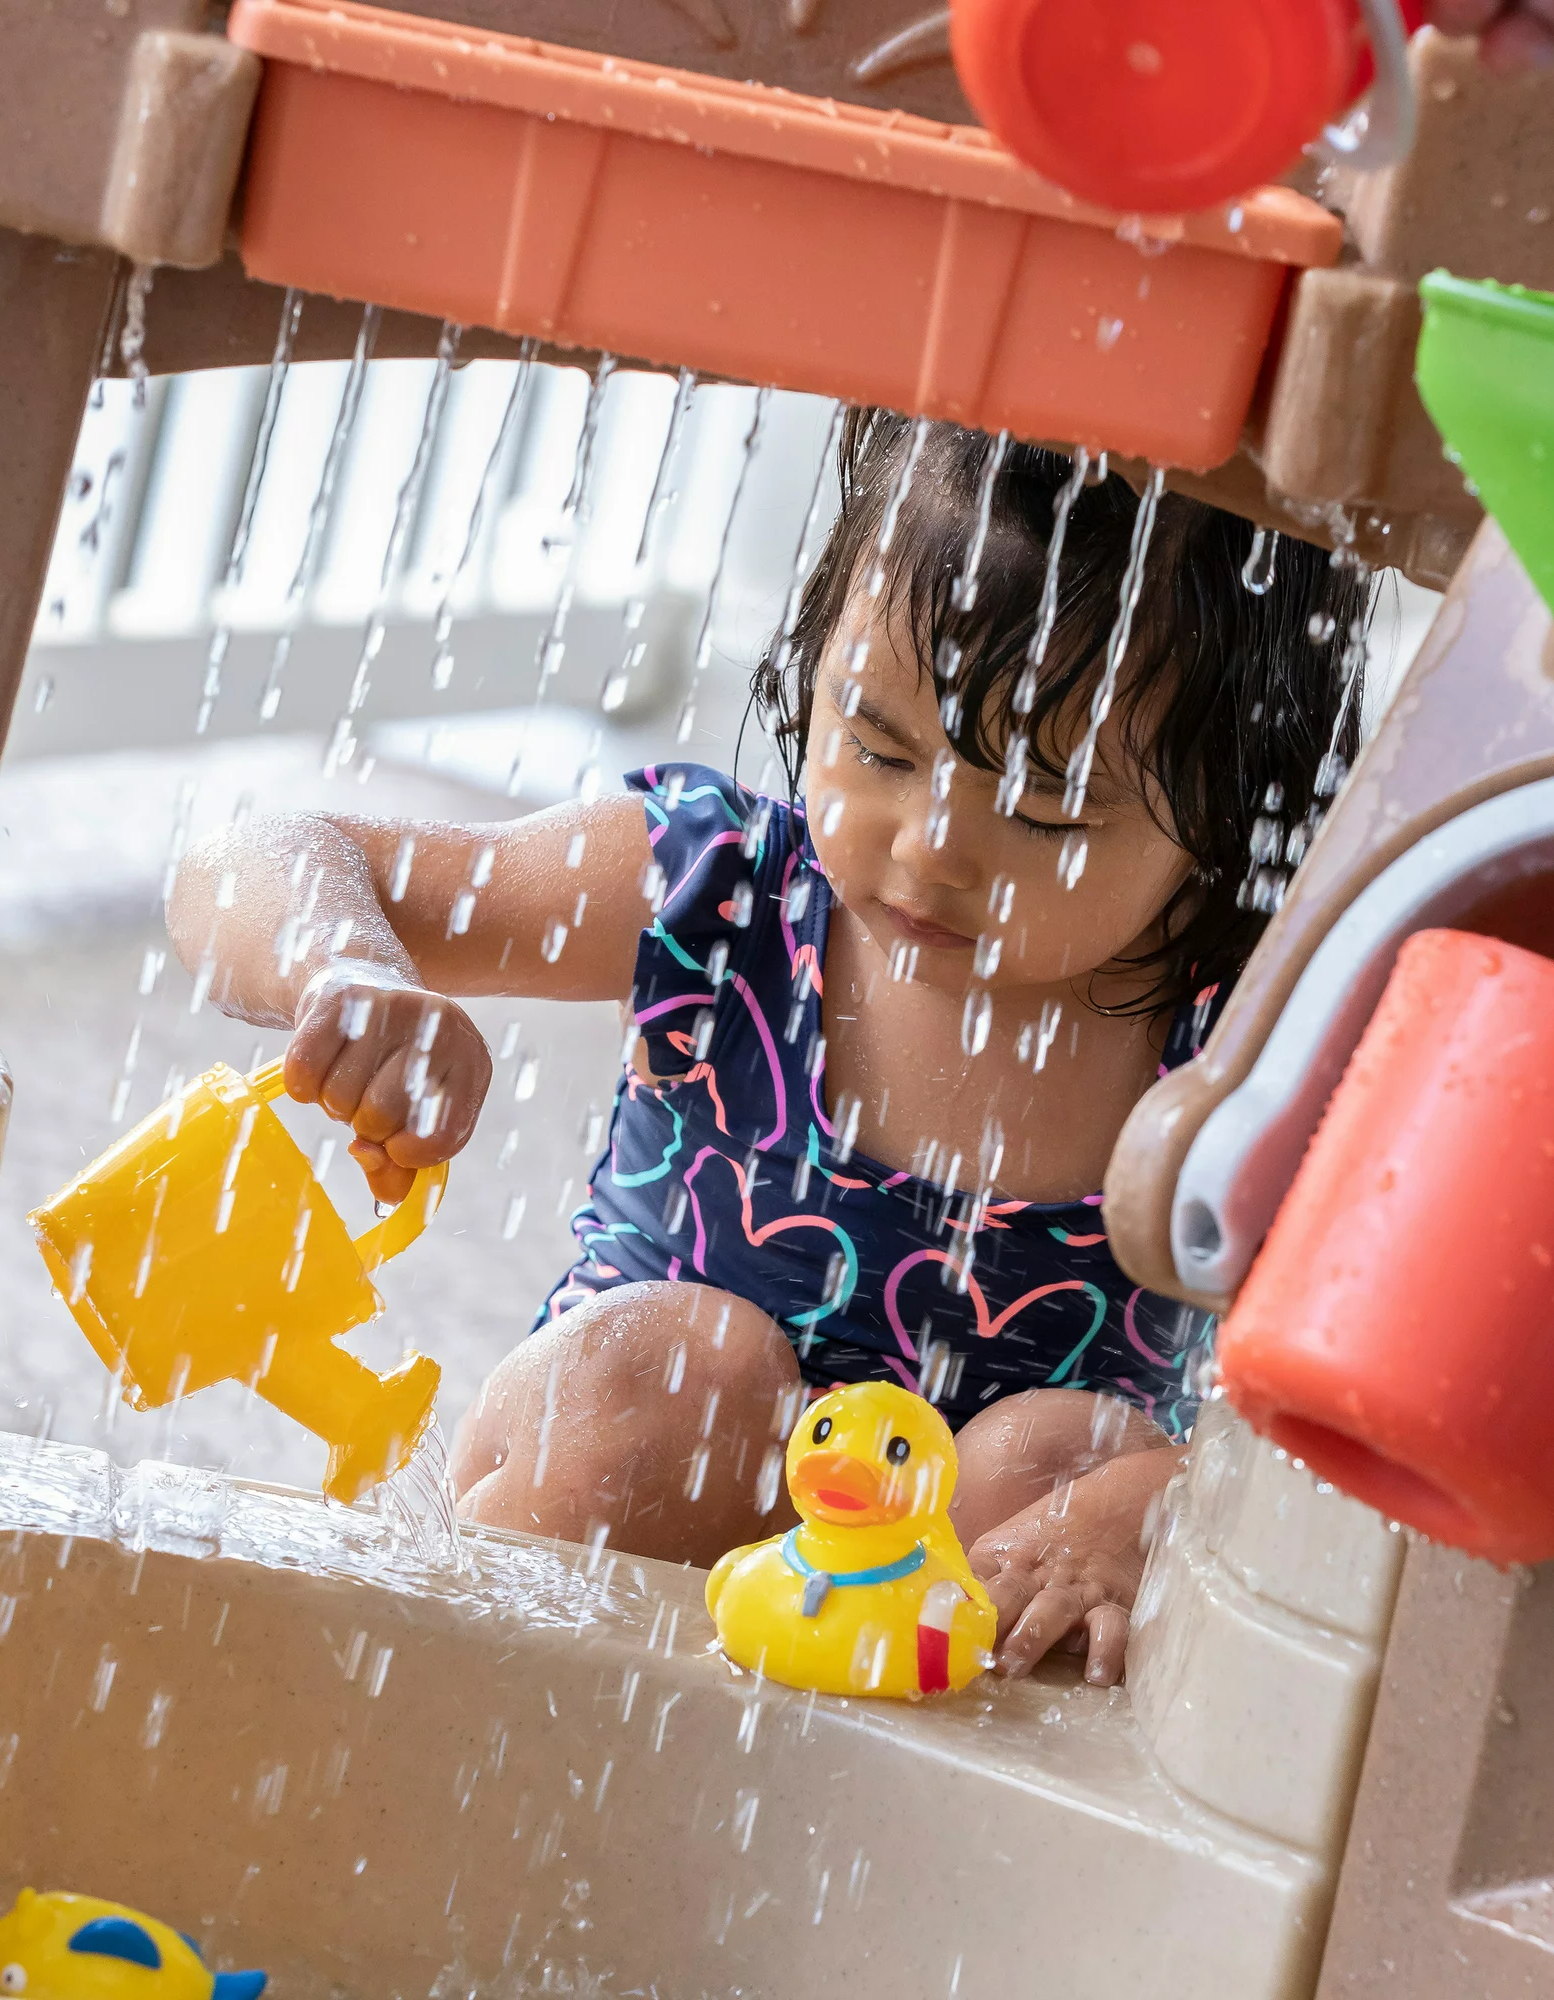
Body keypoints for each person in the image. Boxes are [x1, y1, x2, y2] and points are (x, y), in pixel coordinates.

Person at [169, 412, 1368, 1686]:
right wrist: (344, 965)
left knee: (1062, 1463)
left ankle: (927, 1785)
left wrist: (1156, 1500)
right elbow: (256, 855)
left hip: (952, 1631)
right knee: (679, 1377)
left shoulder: (1249, 1043)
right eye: (877, 745)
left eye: (1041, 811)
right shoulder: (720, 888)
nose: (927, 848)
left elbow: (1366, 1387)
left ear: (1232, 810)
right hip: (637, 1539)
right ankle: (471, 1704)